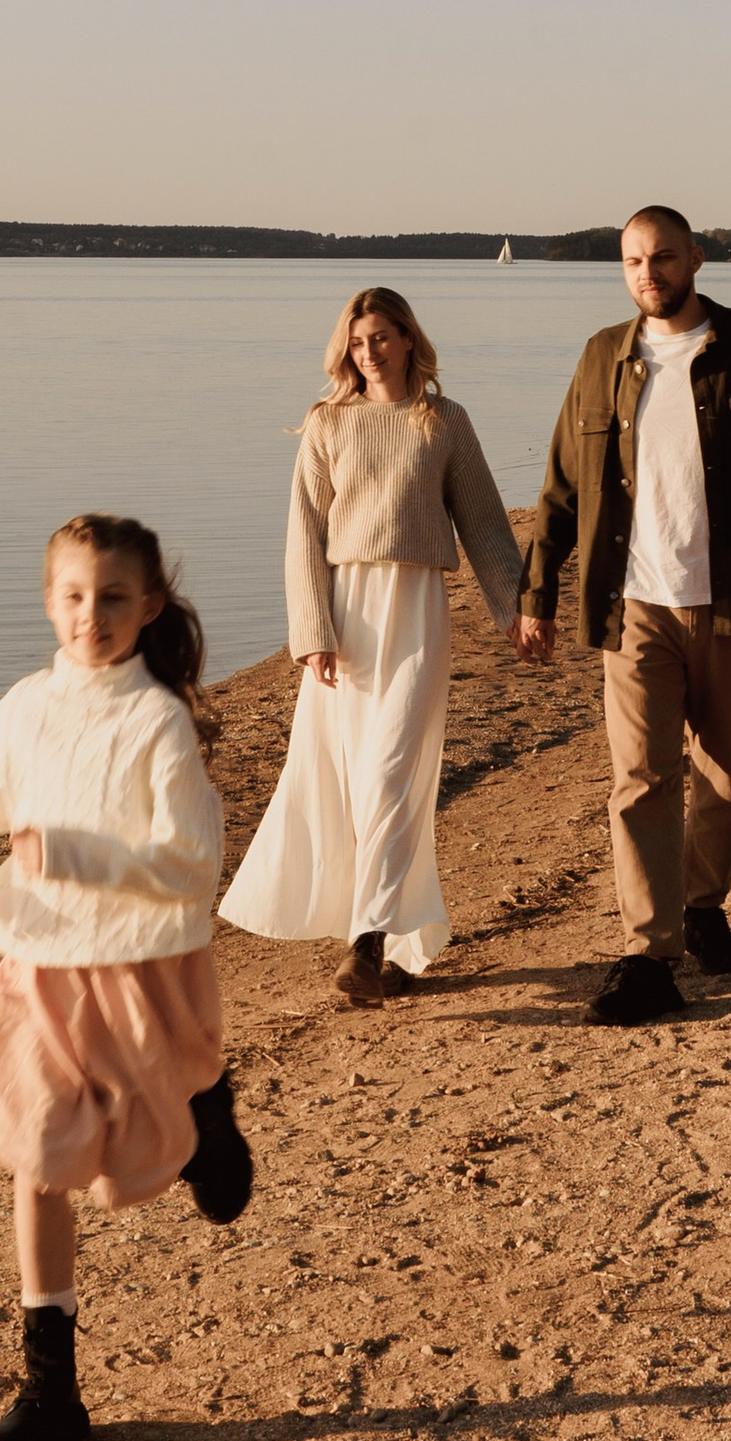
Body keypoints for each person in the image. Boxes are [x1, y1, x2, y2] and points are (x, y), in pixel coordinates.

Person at [0, 511, 251, 1441]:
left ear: (150, 606)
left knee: (150, 1144)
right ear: (49, 600)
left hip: (142, 964)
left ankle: (204, 1107)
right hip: (40, 963)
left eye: (114, 598)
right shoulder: (25, 706)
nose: (92, 616)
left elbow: (190, 862)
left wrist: (79, 852)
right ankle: (53, 1386)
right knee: (39, 1157)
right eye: (75, 596)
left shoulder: (157, 721)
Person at [516, 205, 731, 1027]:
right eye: (631, 262)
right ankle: (648, 957)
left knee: (726, 773)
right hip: (636, 604)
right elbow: (560, 488)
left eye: (660, 258)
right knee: (642, 781)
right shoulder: (600, 360)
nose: (646, 274)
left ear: (695, 259)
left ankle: (702, 907)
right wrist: (537, 595)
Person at [222, 284, 525, 1007]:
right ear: (346, 350)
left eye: (383, 337)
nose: (371, 351)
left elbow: (483, 523)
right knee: (355, 784)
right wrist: (311, 633)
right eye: (359, 342)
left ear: (410, 339)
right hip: (346, 618)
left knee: (393, 775)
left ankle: (366, 945)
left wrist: (519, 612)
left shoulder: (443, 420)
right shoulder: (328, 423)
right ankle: (388, 937)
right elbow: (304, 534)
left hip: (417, 609)